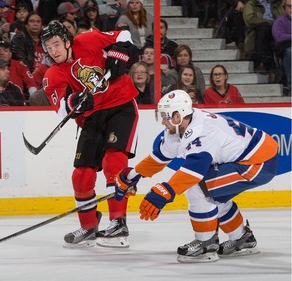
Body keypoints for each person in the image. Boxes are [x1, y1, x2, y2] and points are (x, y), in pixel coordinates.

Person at [115, 89, 278, 263]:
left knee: (199, 187)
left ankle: (205, 243)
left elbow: (193, 173)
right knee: (214, 195)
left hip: (258, 163)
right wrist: (132, 175)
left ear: (178, 116)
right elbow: (161, 156)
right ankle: (242, 238)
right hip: (253, 156)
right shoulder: (180, 127)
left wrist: (165, 191)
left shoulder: (202, 131)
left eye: (165, 116)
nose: (162, 121)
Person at [41, 21, 139, 248]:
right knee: (81, 175)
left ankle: (118, 223)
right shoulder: (52, 74)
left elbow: (123, 34)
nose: (53, 50)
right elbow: (61, 111)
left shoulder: (88, 40)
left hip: (121, 105)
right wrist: (75, 101)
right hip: (93, 116)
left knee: (113, 160)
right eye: (48, 47)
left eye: (56, 44)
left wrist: (119, 53)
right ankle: (88, 226)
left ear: (67, 41)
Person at [243, 0, 283, 72]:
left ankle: (267, 63)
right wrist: (268, 22)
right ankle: (263, 62)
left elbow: (283, 18)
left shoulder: (276, 4)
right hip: (258, 31)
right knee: (264, 27)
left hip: (276, 30)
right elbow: (250, 20)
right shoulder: (251, 4)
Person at [272, 0, 291, 96]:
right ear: (284, 8)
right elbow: (279, 36)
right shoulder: (279, 22)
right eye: (289, 6)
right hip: (285, 49)